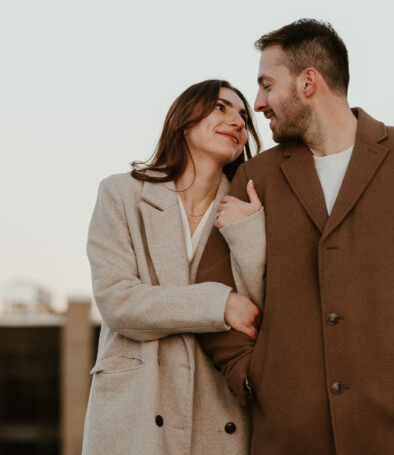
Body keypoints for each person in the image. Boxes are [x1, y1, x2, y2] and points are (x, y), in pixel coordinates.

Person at [197, 19, 394, 455]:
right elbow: (210, 289)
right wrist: (250, 373)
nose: (257, 103)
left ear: (309, 81)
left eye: (267, 85)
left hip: (392, 432)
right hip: (286, 435)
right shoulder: (257, 175)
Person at [82, 79, 265, 455]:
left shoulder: (250, 210)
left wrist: (247, 231)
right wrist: (218, 305)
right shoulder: (122, 195)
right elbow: (119, 302)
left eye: (244, 116)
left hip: (220, 411)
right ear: (183, 121)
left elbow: (259, 309)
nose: (238, 121)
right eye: (221, 107)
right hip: (136, 408)